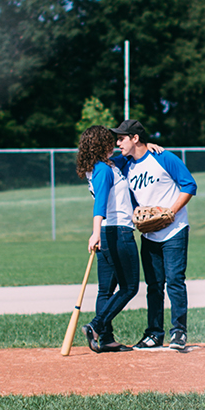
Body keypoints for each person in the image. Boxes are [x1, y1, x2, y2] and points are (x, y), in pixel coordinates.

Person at [111, 119, 197, 352]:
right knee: (153, 285)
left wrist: (171, 211)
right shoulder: (125, 163)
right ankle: (154, 334)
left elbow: (189, 185)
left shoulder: (164, 158)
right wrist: (149, 145)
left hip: (174, 230)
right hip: (149, 234)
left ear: (135, 138)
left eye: (121, 138)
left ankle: (179, 332)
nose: (117, 142)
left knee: (175, 282)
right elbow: (104, 161)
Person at [74, 124, 140, 353]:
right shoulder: (102, 170)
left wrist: (147, 146)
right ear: (100, 145)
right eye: (109, 141)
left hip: (109, 232)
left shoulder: (105, 166)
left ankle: (107, 339)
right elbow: (99, 203)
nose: (114, 144)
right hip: (116, 232)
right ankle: (95, 326)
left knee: (105, 291)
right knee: (130, 287)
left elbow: (128, 158)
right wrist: (95, 232)